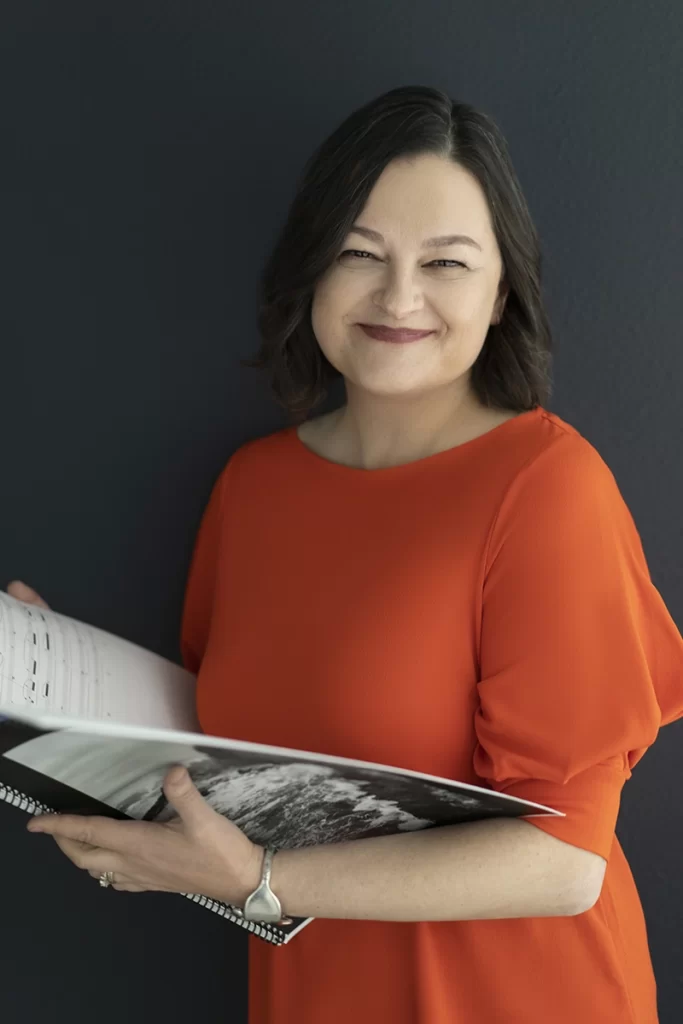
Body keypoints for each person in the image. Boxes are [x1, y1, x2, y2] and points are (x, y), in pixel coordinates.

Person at [8, 85, 683, 1023]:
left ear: (501, 294)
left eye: (445, 262)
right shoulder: (253, 487)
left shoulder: (547, 487)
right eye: (360, 253)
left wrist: (259, 879)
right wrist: (46, 689)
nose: (398, 297)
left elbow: (565, 862)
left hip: (521, 997)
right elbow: (228, 742)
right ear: (310, 270)